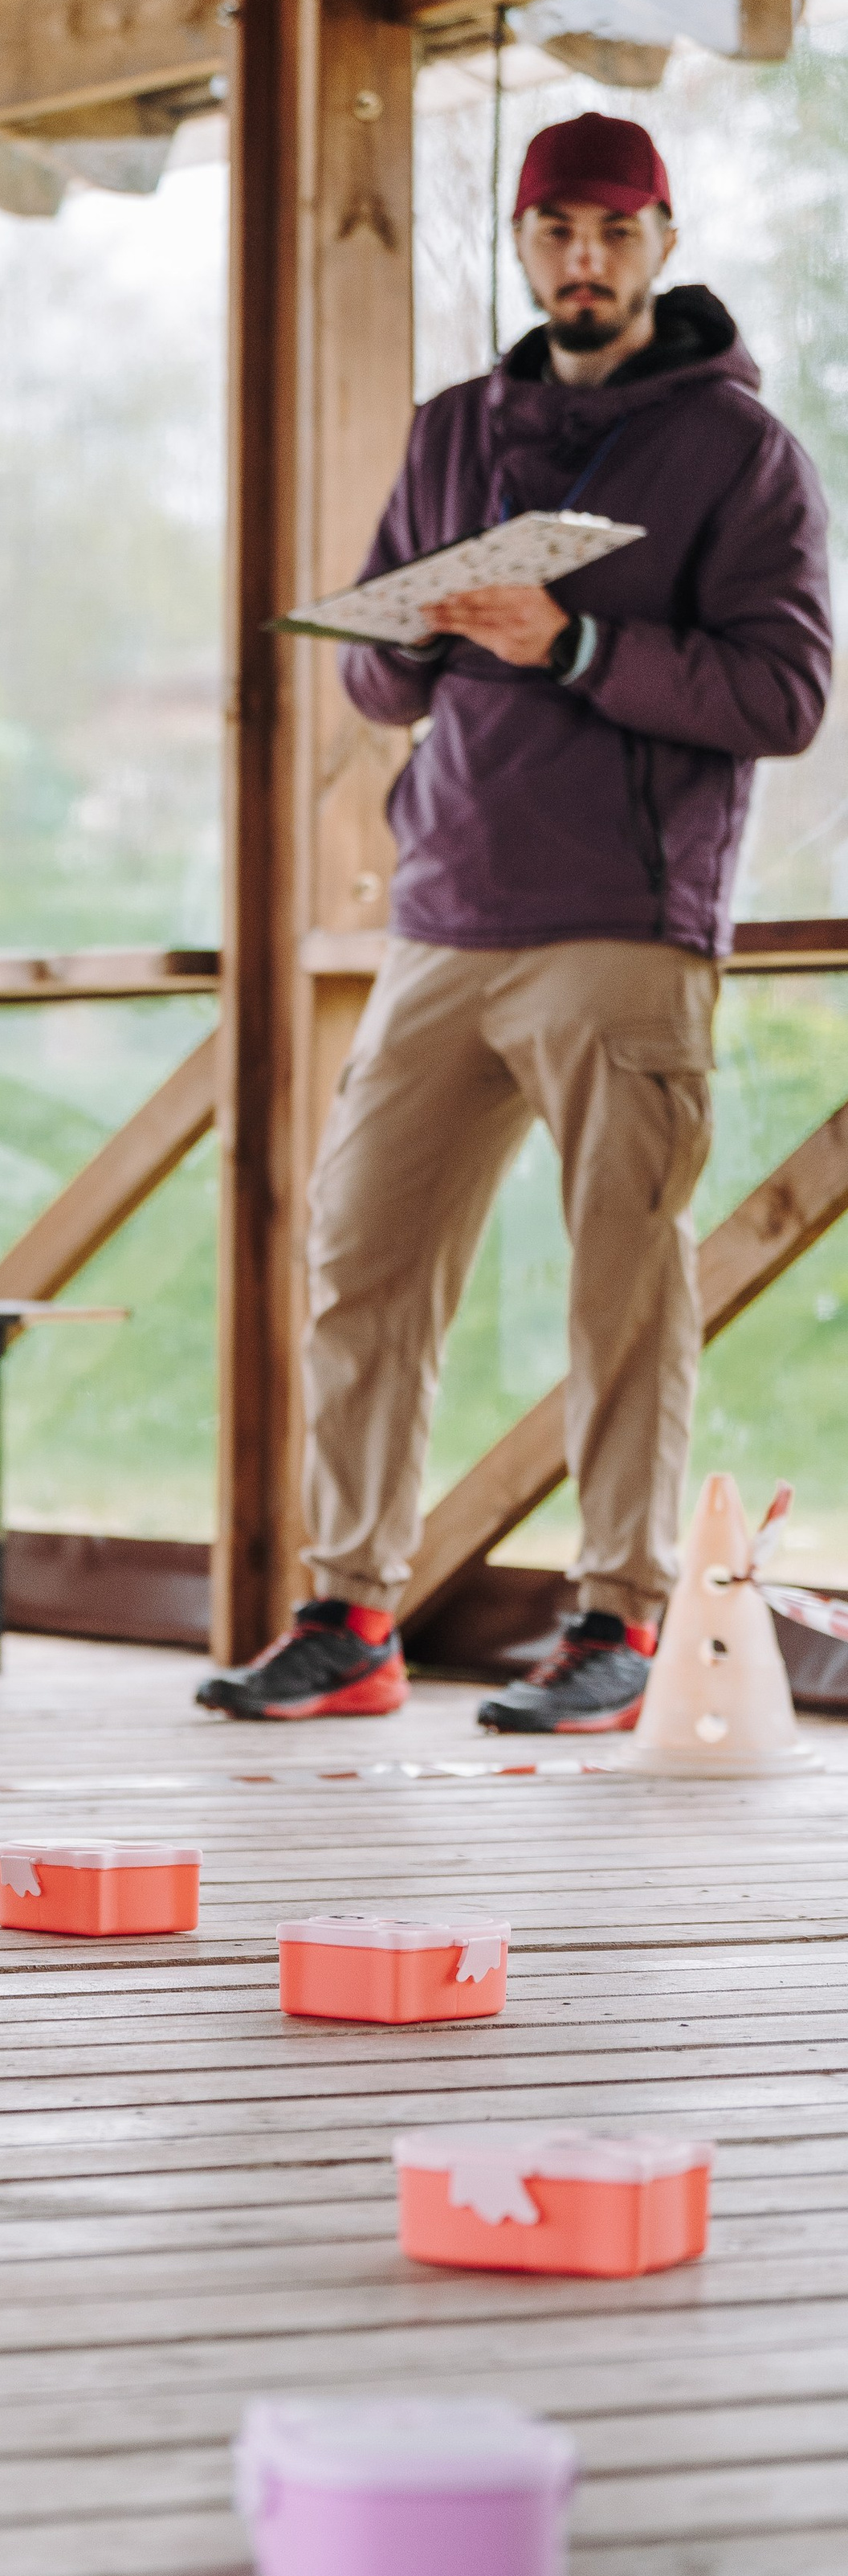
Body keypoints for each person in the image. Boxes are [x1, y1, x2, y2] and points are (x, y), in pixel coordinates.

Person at [200, 110, 833, 1733]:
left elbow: (784, 691)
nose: (582, 257)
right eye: (554, 227)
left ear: (661, 244)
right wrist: (407, 636)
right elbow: (364, 670)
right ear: (520, 242)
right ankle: (349, 1613)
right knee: (358, 1262)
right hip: (441, 915)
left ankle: (613, 1624)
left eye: (612, 231)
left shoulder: (741, 453)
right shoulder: (447, 429)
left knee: (622, 1280)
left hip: (622, 923)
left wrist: (566, 645)